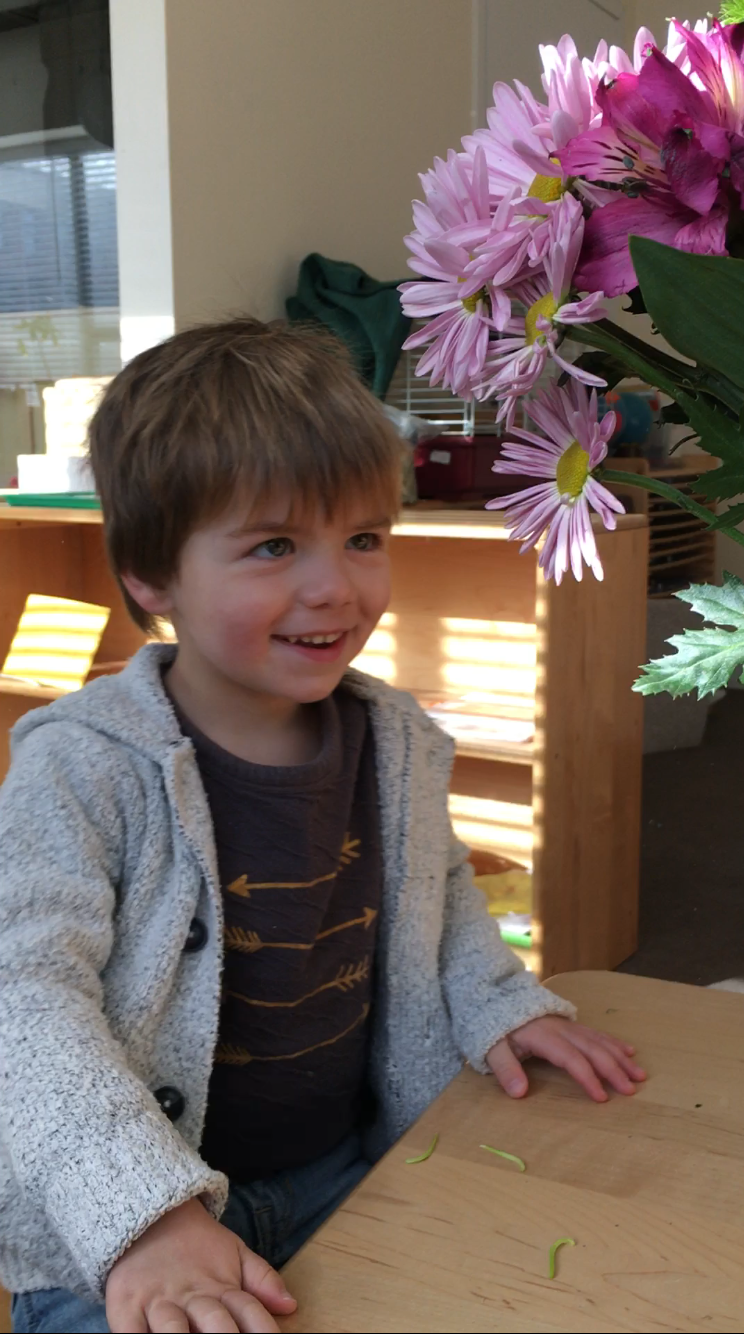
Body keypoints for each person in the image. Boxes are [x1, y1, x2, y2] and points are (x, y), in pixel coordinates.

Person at [0, 319, 645, 1334]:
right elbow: (23, 999)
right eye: (273, 546)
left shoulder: (398, 739)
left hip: (345, 1171)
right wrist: (145, 1214)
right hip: (123, 1227)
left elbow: (442, 902)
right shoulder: (80, 763)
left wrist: (499, 1002)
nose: (335, 586)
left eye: (363, 538)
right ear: (150, 576)